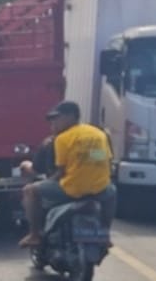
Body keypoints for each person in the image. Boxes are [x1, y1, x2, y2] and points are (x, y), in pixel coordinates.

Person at [20, 100, 114, 248]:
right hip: (99, 189)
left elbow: (60, 172)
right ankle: (105, 235)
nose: (55, 122)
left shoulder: (62, 139)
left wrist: (48, 181)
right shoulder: (99, 134)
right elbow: (102, 160)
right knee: (112, 193)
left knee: (30, 190)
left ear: (71, 116)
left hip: (72, 190)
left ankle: (34, 235)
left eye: (58, 118)